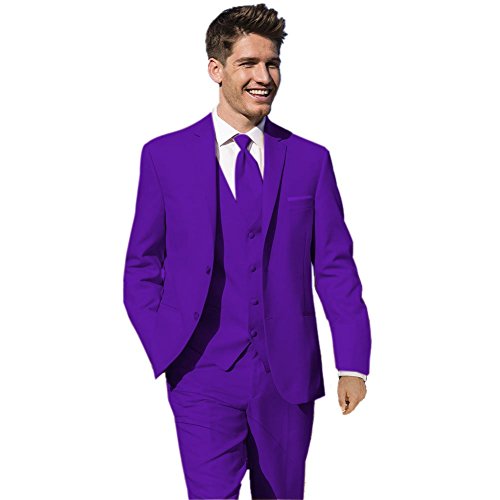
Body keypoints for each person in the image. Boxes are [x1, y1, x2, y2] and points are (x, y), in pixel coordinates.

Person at [123, 3, 372, 498]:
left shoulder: (311, 160)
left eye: (272, 63)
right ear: (216, 69)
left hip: (287, 374)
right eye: (249, 63)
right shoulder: (164, 157)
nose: (264, 76)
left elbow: (335, 267)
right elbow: (142, 263)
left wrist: (353, 362)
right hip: (200, 374)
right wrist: (165, 341)